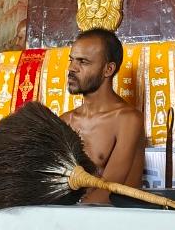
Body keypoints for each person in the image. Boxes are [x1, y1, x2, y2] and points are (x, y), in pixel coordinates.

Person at [60, 28, 145, 204]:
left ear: (108, 69)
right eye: (72, 60)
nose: (71, 68)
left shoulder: (128, 119)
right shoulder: (65, 121)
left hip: (112, 221)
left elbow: (108, 189)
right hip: (69, 219)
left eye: (83, 62)